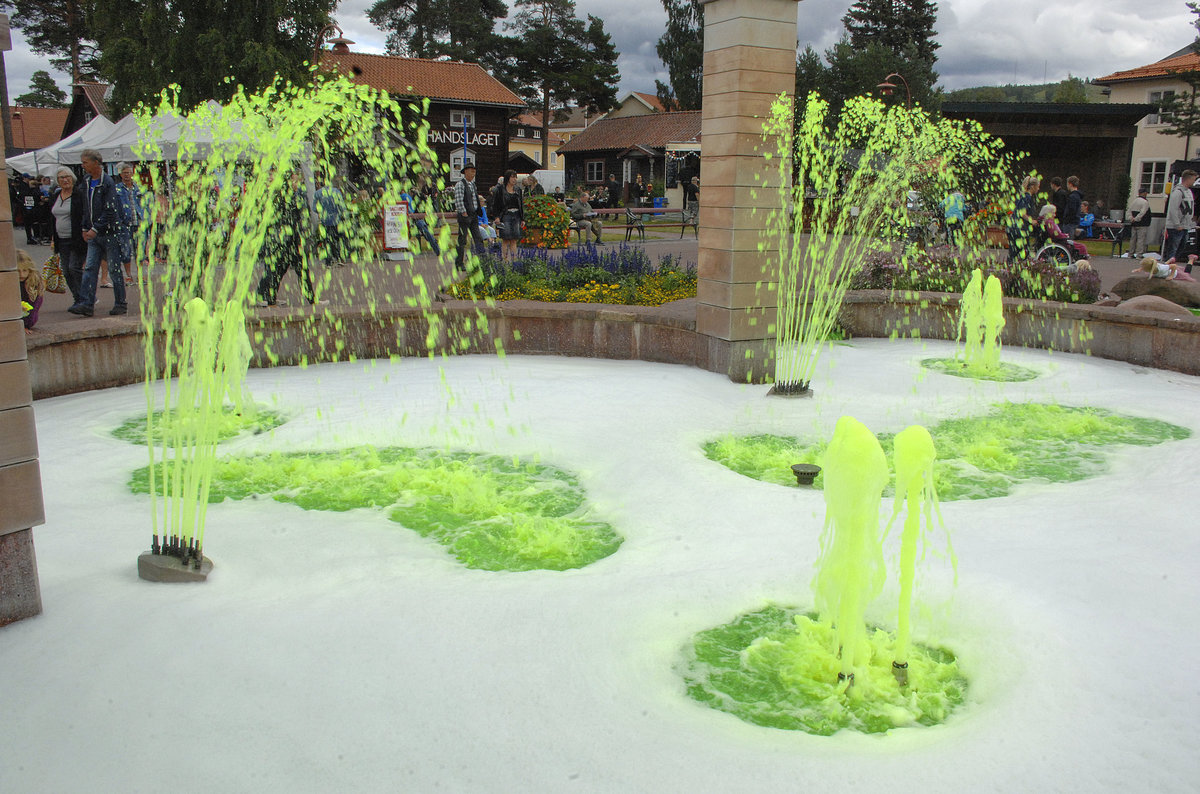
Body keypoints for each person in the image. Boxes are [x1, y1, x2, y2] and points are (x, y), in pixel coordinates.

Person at [69, 149, 126, 317]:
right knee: (90, 268)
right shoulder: (86, 181)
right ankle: (87, 303)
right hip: (94, 233)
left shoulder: (107, 182)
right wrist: (85, 227)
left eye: (85, 162)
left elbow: (110, 210)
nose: (83, 165)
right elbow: (86, 207)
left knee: (114, 270)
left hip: (110, 233)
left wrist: (95, 228)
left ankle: (121, 303)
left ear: (96, 163)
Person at [256, 171, 317, 306]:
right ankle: (268, 299)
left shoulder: (290, 195)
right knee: (279, 270)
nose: (297, 184)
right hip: (287, 241)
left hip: (291, 240)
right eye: (295, 181)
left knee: (283, 270)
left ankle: (270, 299)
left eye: (298, 181)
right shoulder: (283, 197)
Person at [50, 167, 87, 304]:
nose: (65, 180)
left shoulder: (79, 195)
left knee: (74, 268)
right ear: (58, 181)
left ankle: (86, 298)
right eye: (62, 178)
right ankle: (77, 298)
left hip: (76, 239)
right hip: (61, 239)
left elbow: (84, 215)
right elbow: (53, 218)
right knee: (66, 271)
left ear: (73, 178)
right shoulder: (56, 196)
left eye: (68, 177)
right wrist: (53, 238)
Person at [453, 162, 485, 271]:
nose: (473, 173)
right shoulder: (460, 184)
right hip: (465, 215)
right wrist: (463, 212)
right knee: (462, 240)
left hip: (473, 214)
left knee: (478, 238)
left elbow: (475, 199)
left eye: (474, 171)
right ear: (466, 172)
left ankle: (482, 260)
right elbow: (458, 200)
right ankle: (459, 262)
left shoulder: (472, 185)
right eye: (472, 171)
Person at [1161, 170, 1196, 263]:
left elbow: (1191, 207)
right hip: (1176, 226)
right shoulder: (1177, 192)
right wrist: (1177, 224)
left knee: (1182, 246)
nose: (1194, 182)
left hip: (1185, 225)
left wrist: (1191, 221)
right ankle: (1168, 264)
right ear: (1187, 179)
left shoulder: (1189, 192)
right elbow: (1173, 209)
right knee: (1173, 247)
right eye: (1193, 179)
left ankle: (1173, 263)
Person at [490, 169, 525, 261]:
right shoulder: (500, 190)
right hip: (505, 215)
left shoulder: (518, 190)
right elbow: (495, 204)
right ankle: (504, 259)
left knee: (514, 239)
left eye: (515, 177)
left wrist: (522, 218)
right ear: (507, 178)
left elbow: (521, 204)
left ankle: (514, 260)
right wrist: (496, 217)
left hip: (516, 215)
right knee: (505, 239)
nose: (514, 179)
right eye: (512, 177)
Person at [1007, 175, 1040, 263]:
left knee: (1014, 251)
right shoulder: (1027, 197)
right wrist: (1031, 221)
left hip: (1013, 227)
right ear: (1032, 187)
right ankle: (1013, 270)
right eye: (1038, 186)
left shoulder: (1021, 196)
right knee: (1023, 251)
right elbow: (1022, 213)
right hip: (1019, 229)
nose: (1038, 189)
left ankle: (1010, 269)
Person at [314, 177, 346, 265]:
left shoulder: (318, 193)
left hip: (324, 220)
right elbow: (342, 207)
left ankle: (328, 261)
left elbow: (315, 208)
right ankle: (339, 258)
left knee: (327, 240)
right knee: (339, 239)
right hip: (336, 220)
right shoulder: (336, 192)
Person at [17, 250, 43, 333]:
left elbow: (34, 306)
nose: (21, 275)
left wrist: (25, 325)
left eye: (25, 270)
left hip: (28, 318)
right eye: (18, 271)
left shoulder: (34, 282)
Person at [1128, 187, 1152, 258]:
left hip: (1133, 223)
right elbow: (1142, 212)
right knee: (1141, 239)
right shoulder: (1145, 202)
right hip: (1142, 223)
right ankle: (1139, 254)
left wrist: (1131, 218)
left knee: (1133, 239)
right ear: (1144, 193)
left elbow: (1129, 211)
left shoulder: (1134, 201)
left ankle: (1130, 253)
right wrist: (1136, 219)